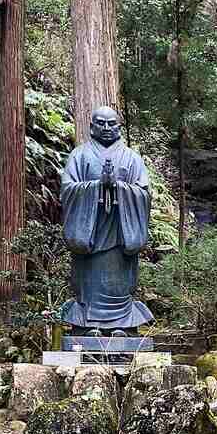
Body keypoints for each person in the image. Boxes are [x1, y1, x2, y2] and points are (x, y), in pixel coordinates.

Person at [60, 106, 153, 333]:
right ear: (91, 127)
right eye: (100, 123)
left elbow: (144, 193)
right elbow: (67, 189)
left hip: (120, 231)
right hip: (90, 230)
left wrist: (118, 188)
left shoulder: (132, 158)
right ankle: (87, 325)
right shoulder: (79, 155)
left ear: (119, 127)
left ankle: (122, 324)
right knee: (89, 279)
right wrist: (97, 187)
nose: (106, 128)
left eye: (112, 123)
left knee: (118, 281)